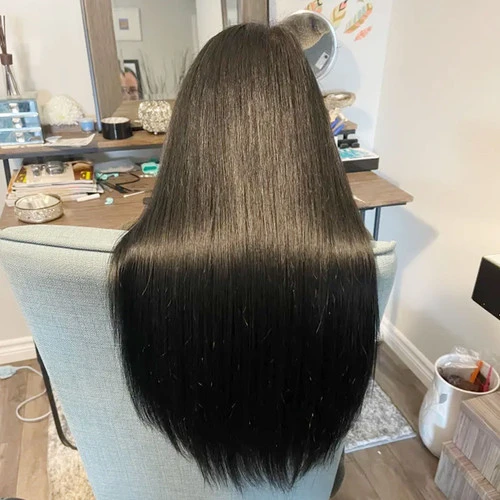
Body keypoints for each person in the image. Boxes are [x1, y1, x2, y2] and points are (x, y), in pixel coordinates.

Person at [109, 23, 379, 493]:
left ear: (191, 128)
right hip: (300, 473)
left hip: (181, 468)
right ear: (309, 131)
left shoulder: (139, 264)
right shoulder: (351, 262)